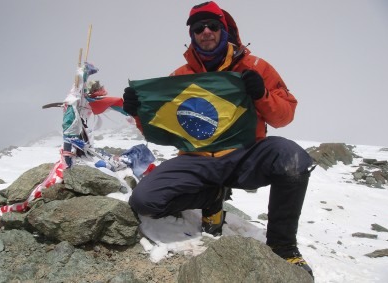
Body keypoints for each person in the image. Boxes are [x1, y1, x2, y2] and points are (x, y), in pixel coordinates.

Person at [123, 1, 314, 278]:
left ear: (224, 29)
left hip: (244, 155)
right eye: (199, 28)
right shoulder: (179, 77)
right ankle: (212, 195)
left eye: (213, 25)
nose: (206, 32)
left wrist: (262, 94)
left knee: (292, 158)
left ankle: (283, 247)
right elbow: (162, 128)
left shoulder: (255, 67)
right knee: (144, 200)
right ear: (192, 35)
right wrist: (137, 111)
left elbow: (284, 117)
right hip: (196, 160)